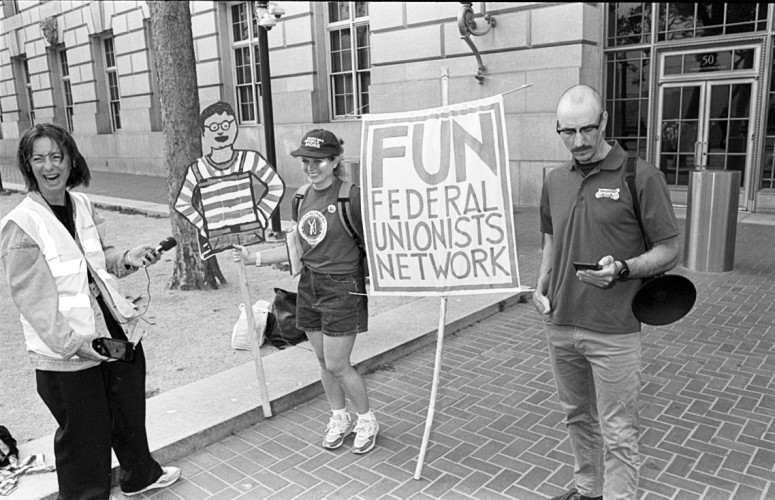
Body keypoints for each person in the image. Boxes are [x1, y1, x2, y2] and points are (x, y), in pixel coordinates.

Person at [0, 123, 181, 499]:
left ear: (71, 160)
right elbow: (33, 300)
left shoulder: (81, 204)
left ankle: (139, 475)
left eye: (57, 156)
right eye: (39, 158)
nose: (50, 166)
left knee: (128, 409)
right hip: (68, 352)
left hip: (112, 330)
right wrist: (74, 345)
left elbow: (98, 258)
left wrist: (129, 257)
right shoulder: (21, 225)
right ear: (28, 165)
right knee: (84, 437)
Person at [534, 85, 680, 500]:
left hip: (615, 329)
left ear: (604, 122)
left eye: (587, 129)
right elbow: (551, 237)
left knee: (618, 432)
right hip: (561, 322)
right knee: (577, 417)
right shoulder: (554, 180)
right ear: (558, 129)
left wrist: (624, 268)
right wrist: (541, 282)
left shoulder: (640, 175)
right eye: (568, 132)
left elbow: (670, 250)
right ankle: (587, 489)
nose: (578, 141)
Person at [233, 129, 379, 454]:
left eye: (319, 161)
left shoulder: (352, 196)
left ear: (335, 161)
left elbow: (380, 239)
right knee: (324, 361)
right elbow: (295, 248)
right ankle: (339, 417)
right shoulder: (300, 197)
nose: (311, 168)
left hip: (343, 287)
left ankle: (366, 419)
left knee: (339, 364)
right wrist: (252, 257)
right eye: (305, 161)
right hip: (309, 285)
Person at [174, 101, 285, 259]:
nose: (220, 131)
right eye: (213, 127)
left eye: (226, 125)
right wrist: (203, 225)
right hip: (216, 237)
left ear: (235, 127)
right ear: (204, 132)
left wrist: (261, 214)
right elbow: (182, 203)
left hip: (249, 231)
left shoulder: (249, 159)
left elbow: (276, 186)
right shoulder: (198, 169)